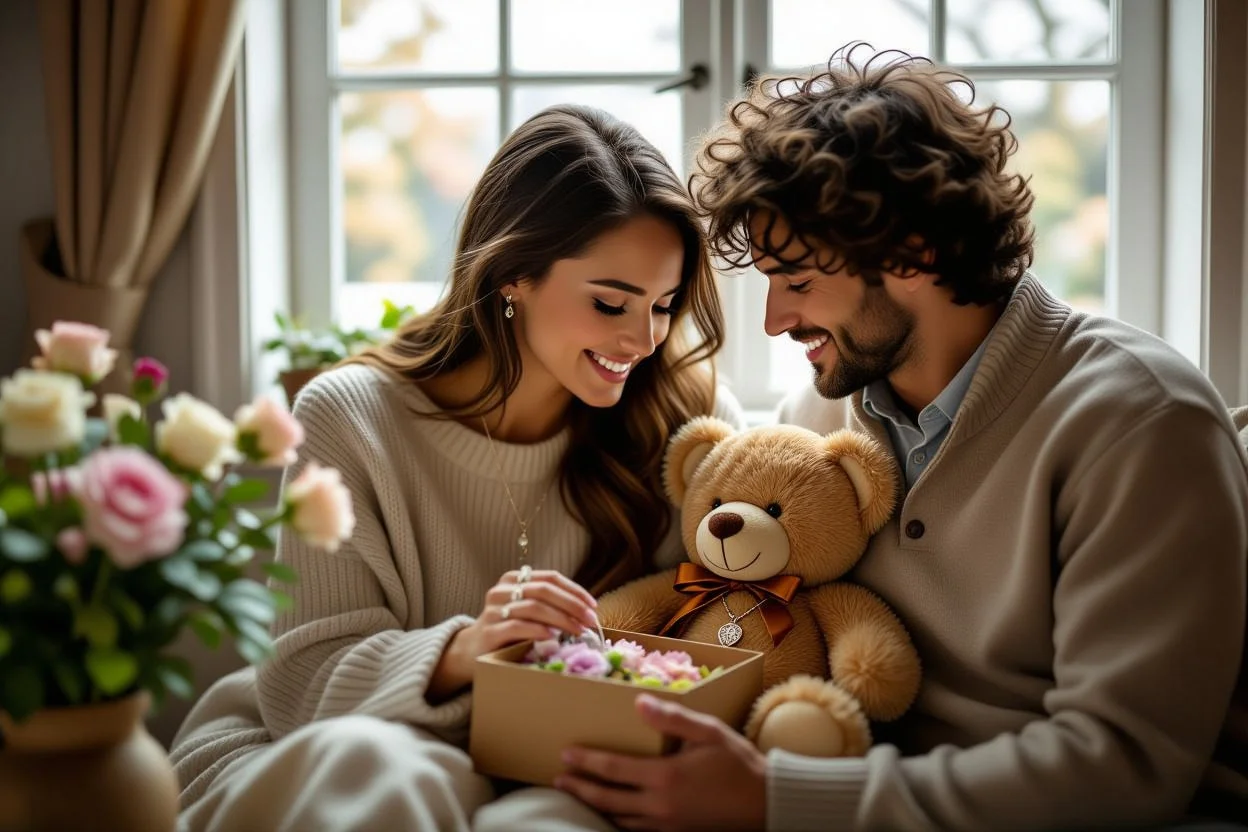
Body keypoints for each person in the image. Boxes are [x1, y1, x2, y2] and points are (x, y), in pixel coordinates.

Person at [555, 44, 1248, 831]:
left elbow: (1123, 766)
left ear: (912, 253)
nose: (776, 321)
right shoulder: (819, 422)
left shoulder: (1139, 424)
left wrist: (782, 798)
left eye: (800, 282)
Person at [168, 103, 746, 832]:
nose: (643, 338)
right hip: (344, 742)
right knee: (389, 777)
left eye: (664, 305)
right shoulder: (352, 417)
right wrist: (467, 649)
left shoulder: (686, 423)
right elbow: (299, 683)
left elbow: (737, 635)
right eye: (610, 303)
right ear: (513, 277)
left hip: (568, 769)